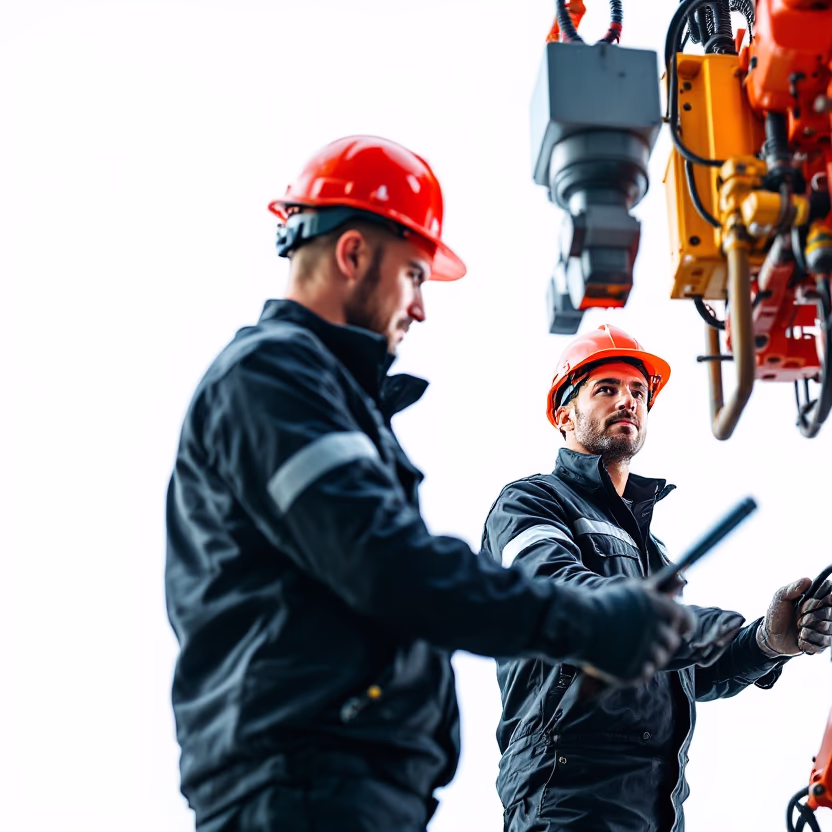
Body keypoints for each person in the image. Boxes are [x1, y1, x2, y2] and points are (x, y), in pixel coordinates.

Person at [164, 137, 693, 832]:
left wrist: (755, 646)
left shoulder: (322, 396)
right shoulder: (274, 382)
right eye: (415, 275)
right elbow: (389, 567)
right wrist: (589, 622)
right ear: (352, 254)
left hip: (338, 784)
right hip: (296, 786)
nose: (420, 308)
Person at [480, 324, 832, 832]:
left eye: (637, 391)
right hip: (567, 798)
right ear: (563, 416)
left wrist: (762, 643)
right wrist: (711, 623)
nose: (627, 401)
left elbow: (682, 673)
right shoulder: (531, 503)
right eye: (606, 389)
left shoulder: (649, 549)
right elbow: (564, 598)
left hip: (657, 809)